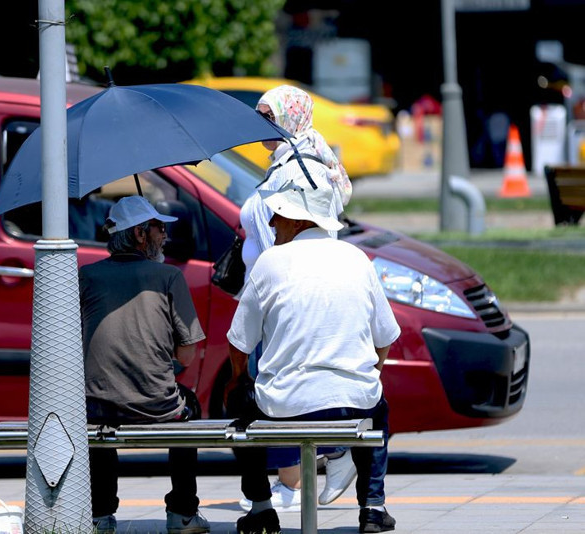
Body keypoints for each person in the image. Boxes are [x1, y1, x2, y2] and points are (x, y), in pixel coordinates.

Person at [226, 160, 401, 533]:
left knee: (237, 404)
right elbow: (385, 339)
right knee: (379, 408)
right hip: (353, 401)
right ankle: (372, 506)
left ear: (298, 220)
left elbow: (239, 345)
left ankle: (260, 507)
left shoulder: (270, 263)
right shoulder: (357, 259)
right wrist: (365, 376)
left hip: (284, 405)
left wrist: (240, 381)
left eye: (277, 216)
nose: (271, 224)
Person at [237, 84, 356, 513]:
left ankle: (329, 459)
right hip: (271, 291)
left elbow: (292, 230)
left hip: (282, 295)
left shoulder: (297, 166)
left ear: (291, 117)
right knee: (274, 392)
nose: (261, 124)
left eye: (269, 115)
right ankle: (302, 477)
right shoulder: (287, 159)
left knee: (274, 393)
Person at [79, 195, 211, 534]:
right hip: (158, 406)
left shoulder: (86, 276)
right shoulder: (168, 276)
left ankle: (100, 515)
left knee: (97, 417)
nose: (164, 235)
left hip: (97, 406)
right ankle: (182, 514)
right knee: (189, 407)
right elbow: (186, 356)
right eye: (158, 228)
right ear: (140, 234)